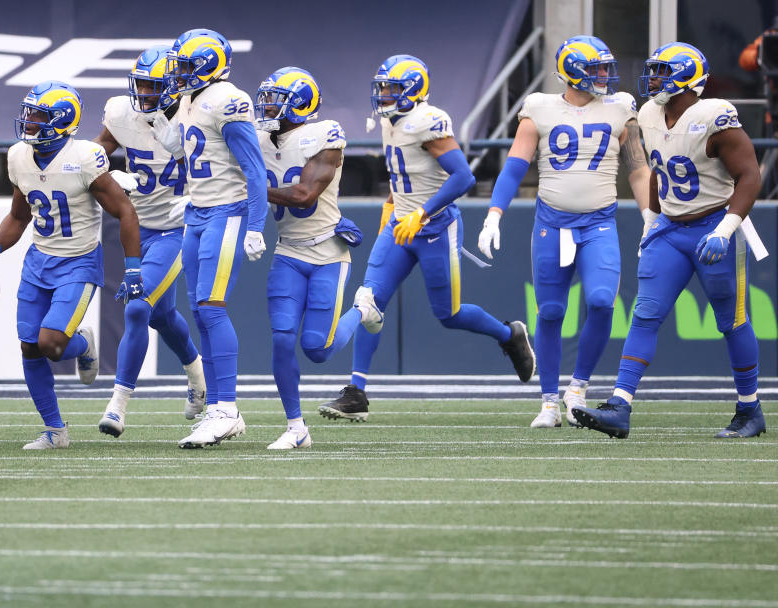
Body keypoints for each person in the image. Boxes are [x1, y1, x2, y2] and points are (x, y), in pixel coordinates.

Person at [318, 55, 535, 422]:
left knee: (448, 314)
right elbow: (405, 175)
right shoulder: (391, 121)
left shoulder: (427, 122)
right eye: (382, 88)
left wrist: (421, 213)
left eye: (391, 89)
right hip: (401, 226)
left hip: (436, 229)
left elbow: (463, 177)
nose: (383, 95)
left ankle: (508, 334)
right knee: (369, 301)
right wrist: (393, 209)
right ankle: (356, 392)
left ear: (413, 92)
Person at [573, 42, 766, 439]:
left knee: (732, 322)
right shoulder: (648, 113)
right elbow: (661, 170)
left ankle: (750, 410)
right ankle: (620, 405)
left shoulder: (714, 115)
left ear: (688, 78)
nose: (654, 78)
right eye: (654, 70)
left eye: (662, 71)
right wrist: (653, 218)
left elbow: (750, 176)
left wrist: (725, 230)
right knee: (645, 314)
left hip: (715, 226)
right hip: (671, 229)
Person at [477, 36, 652, 428]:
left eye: (606, 67)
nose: (605, 75)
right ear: (573, 71)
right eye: (597, 68)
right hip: (552, 224)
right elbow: (515, 167)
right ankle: (549, 402)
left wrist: (649, 214)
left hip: (598, 222)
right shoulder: (540, 108)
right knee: (551, 312)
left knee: (604, 301)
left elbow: (637, 167)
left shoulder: (620, 108)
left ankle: (579, 389)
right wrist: (493, 213)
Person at [0, 81, 143, 450]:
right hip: (38, 262)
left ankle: (82, 345)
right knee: (29, 347)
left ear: (61, 121)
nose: (29, 121)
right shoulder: (19, 155)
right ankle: (55, 431)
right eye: (29, 113)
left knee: (51, 343)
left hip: (78, 262)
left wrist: (132, 268)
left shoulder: (84, 156)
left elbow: (124, 210)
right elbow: (19, 217)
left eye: (39, 115)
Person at [156, 28, 269, 449]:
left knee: (211, 307)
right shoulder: (190, 98)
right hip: (197, 212)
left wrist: (256, 225)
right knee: (200, 311)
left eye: (185, 66)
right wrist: (154, 111)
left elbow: (255, 170)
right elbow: (175, 146)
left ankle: (226, 408)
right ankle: (221, 408)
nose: (178, 75)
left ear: (208, 66)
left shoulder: (228, 100)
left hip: (228, 211)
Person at [93, 46, 206, 437]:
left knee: (138, 308)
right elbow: (97, 155)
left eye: (152, 85)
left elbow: (223, 164)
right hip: (137, 225)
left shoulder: (197, 115)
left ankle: (118, 404)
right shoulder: (122, 113)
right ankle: (198, 376)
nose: (142, 93)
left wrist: (200, 195)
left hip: (177, 227)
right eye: (139, 84)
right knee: (160, 315)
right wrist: (105, 174)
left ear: (175, 87)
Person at [255, 67, 371, 449]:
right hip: (287, 251)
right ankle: (295, 427)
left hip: (327, 252)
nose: (268, 105)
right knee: (282, 339)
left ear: (301, 105)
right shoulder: (258, 138)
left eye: (278, 99)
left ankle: (363, 310)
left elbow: (304, 195)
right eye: (267, 97)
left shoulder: (325, 136)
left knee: (316, 349)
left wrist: (253, 188)